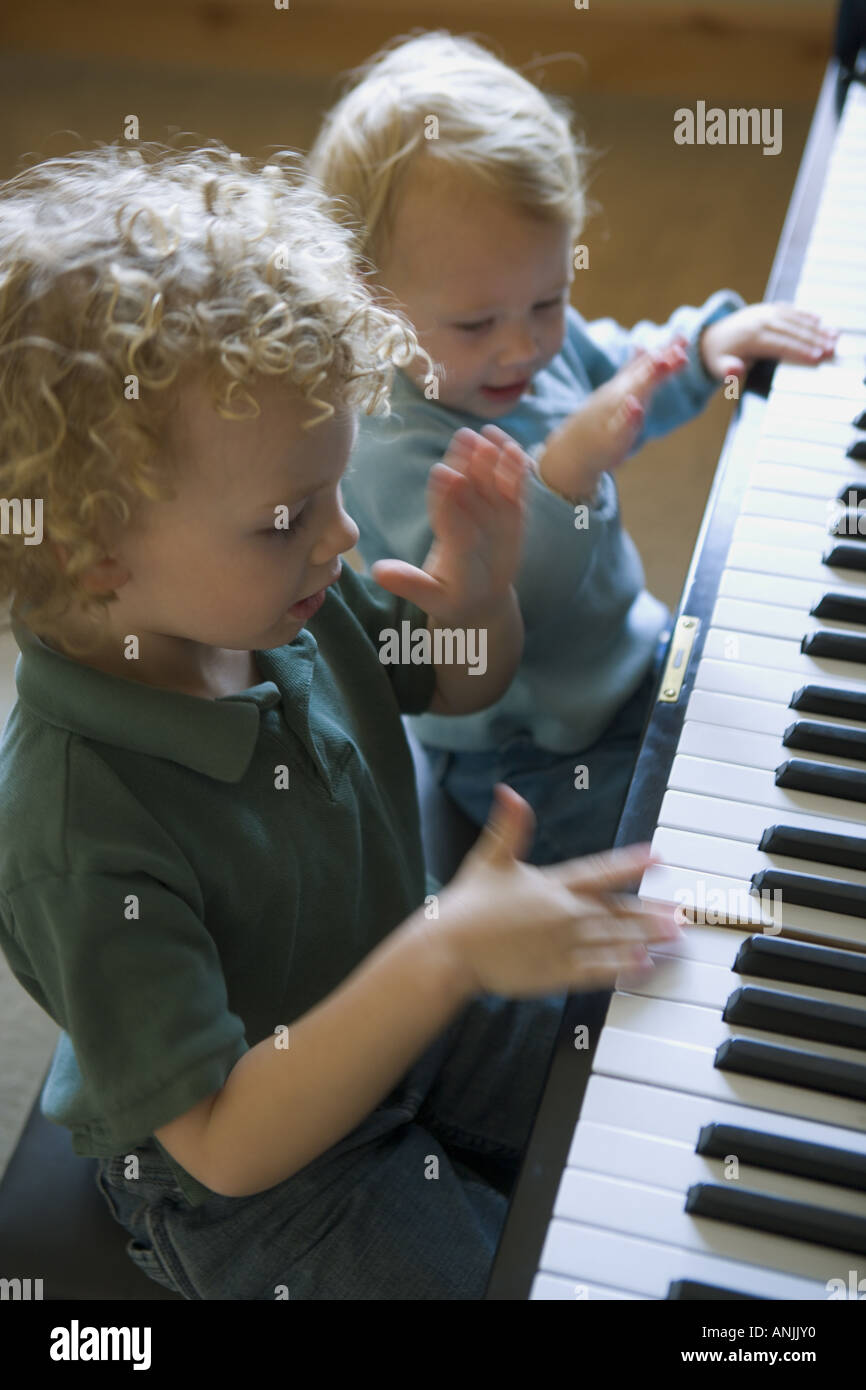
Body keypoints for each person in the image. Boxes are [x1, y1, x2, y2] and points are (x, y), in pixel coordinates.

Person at [0, 140, 680, 1300]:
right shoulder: (73, 825)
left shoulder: (289, 597)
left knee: (638, 1094)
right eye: (285, 516)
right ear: (92, 554)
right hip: (267, 1183)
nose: (341, 538)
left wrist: (477, 596)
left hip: (405, 988)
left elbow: (457, 684)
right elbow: (223, 1139)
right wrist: (447, 950)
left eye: (334, 490)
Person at [308, 29, 839, 865]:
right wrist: (565, 470)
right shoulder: (386, 450)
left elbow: (617, 372)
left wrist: (701, 345)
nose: (524, 348)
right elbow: (508, 615)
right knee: (642, 892)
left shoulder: (513, 352)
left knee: (792, 740)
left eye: (548, 300)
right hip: (528, 755)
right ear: (367, 299)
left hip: (635, 657)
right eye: (479, 322)